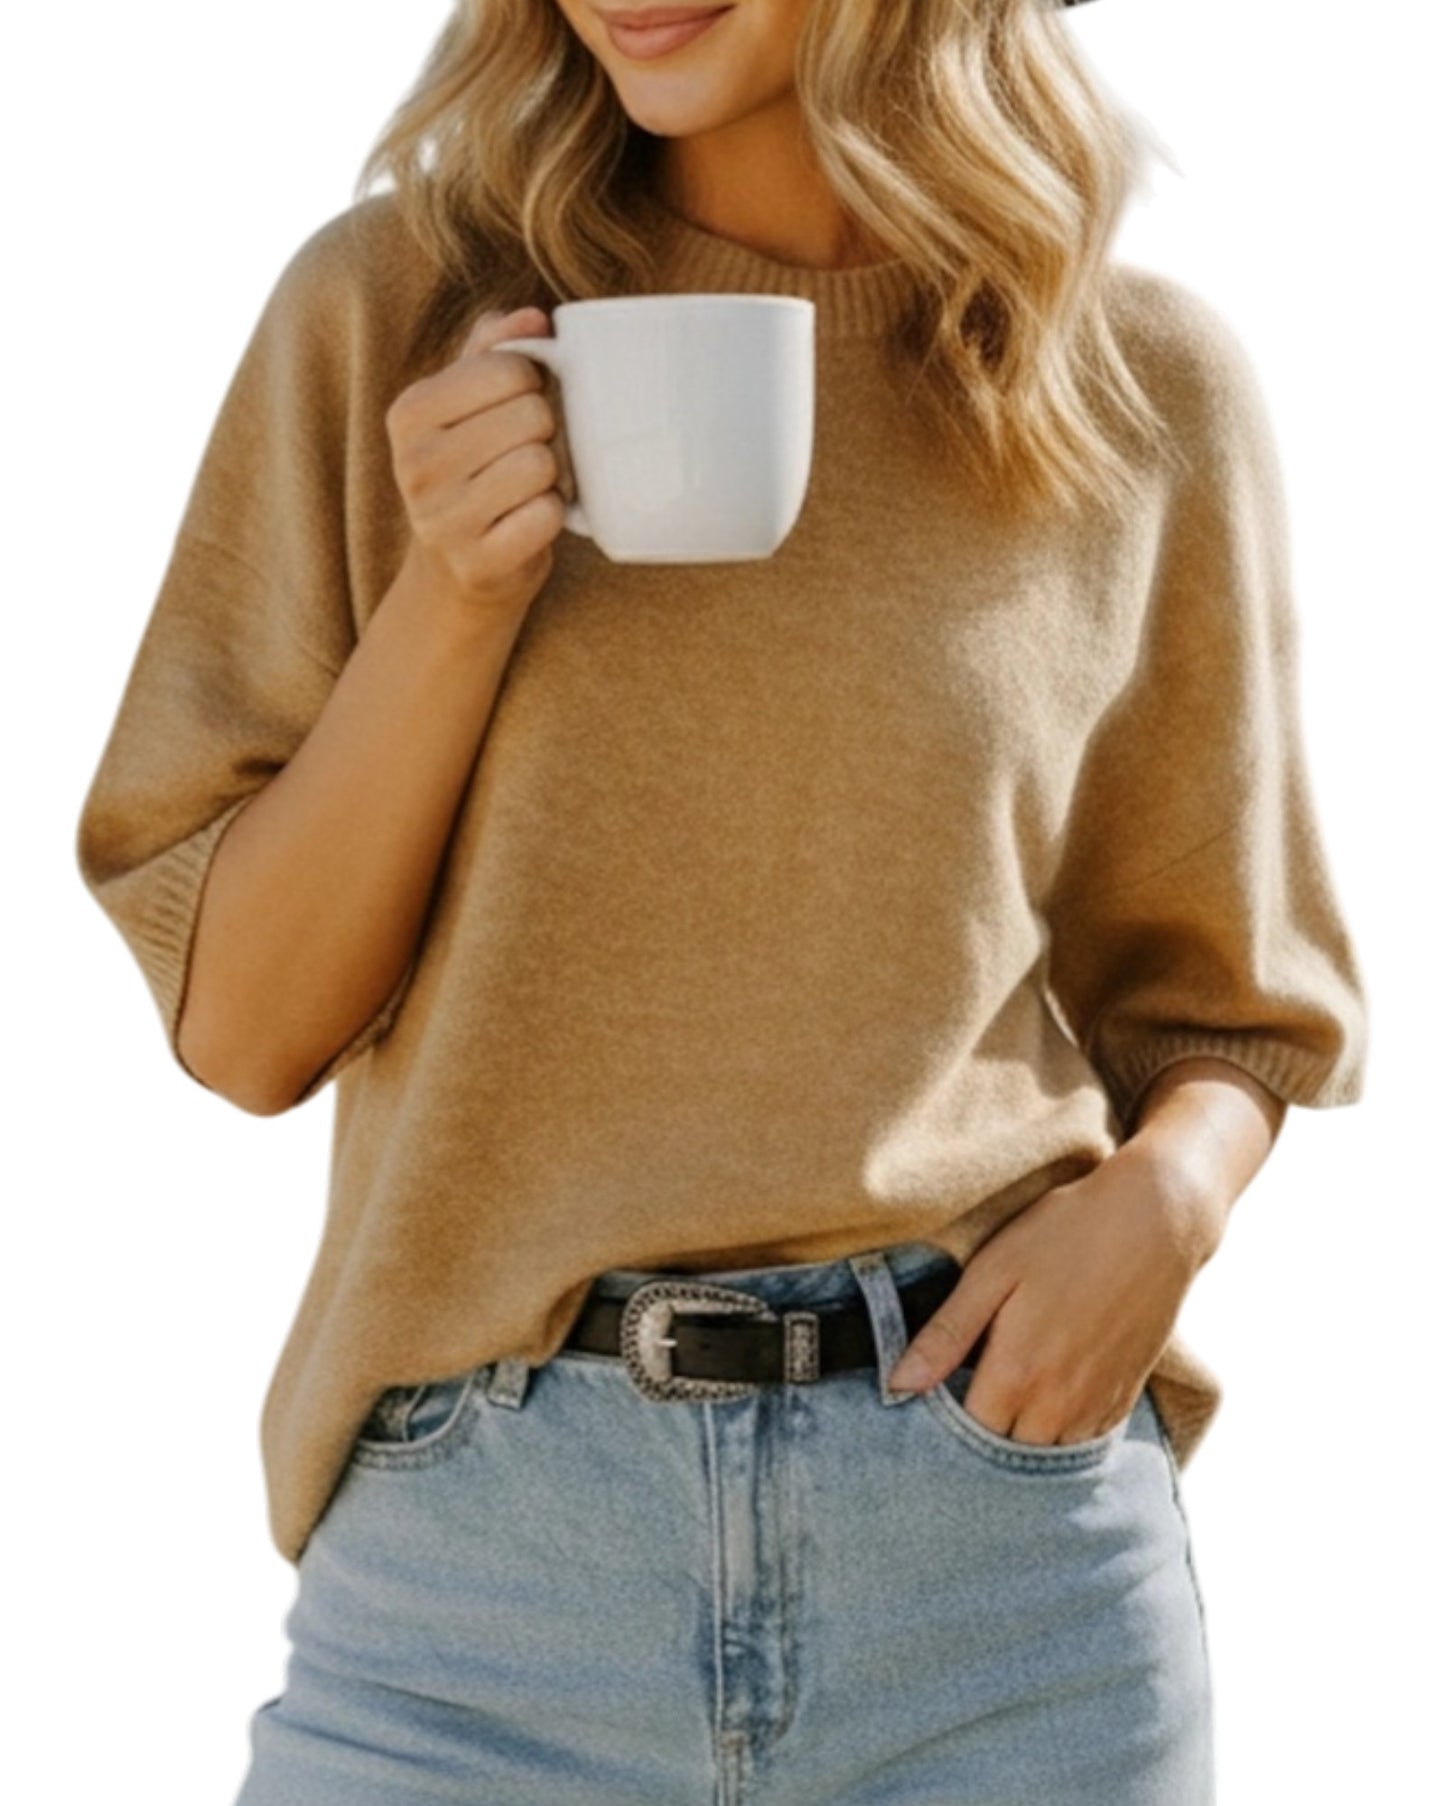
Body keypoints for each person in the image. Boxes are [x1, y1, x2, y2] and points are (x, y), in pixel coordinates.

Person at [74, 1, 1368, 1801]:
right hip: (478, 1595)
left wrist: (1166, 1204)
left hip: (998, 1580)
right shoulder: (390, 311)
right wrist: (452, 598)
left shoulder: (1132, 384)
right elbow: (242, 1028)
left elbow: (1227, 997)